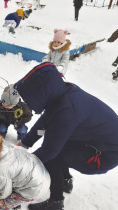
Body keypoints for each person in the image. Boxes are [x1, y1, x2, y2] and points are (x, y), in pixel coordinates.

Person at [14, 62, 118, 210]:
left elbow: (49, 152)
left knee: (53, 157)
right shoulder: (62, 93)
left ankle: (56, 202)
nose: (28, 102)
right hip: (95, 141)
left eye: (31, 97)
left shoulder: (66, 111)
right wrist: (26, 142)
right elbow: (46, 121)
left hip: (105, 155)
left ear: (42, 93)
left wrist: (22, 167)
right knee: (59, 144)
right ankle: (65, 180)